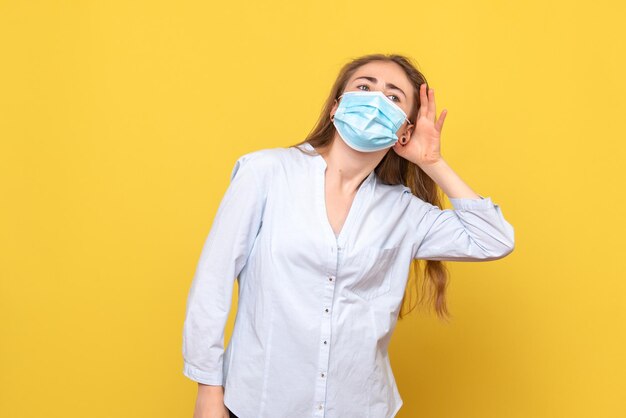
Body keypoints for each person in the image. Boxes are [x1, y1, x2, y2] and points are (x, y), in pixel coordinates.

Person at [182, 53, 515, 418]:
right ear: (336, 107)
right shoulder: (266, 173)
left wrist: (431, 162)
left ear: (404, 130)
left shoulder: (403, 211)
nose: (374, 100)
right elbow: (211, 284)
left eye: (393, 97)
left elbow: (493, 240)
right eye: (364, 86)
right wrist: (209, 391)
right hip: (258, 403)